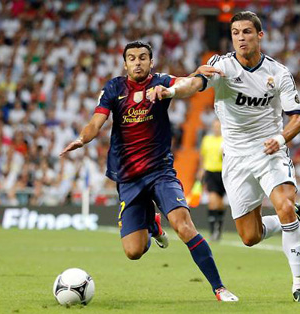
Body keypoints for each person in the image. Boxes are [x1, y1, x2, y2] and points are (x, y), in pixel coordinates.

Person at [152, 11, 300, 302]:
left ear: (260, 36)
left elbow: (298, 119)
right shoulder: (221, 65)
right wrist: (173, 90)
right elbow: (196, 83)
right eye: (236, 32)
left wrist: (279, 138)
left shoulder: (279, 73)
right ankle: (286, 221)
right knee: (250, 237)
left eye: (247, 32)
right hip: (236, 159)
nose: (241, 38)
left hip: (270, 153)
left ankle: (299, 285)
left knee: (285, 204)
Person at [60, 41, 238, 302]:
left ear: (151, 62)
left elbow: (186, 85)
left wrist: (185, 83)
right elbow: (96, 122)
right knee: (133, 251)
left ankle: (219, 288)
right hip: (128, 177)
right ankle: (153, 226)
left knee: (184, 226)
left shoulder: (161, 82)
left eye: (143, 57)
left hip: (160, 172)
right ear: (125, 64)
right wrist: (82, 139)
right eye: (132, 58)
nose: (138, 62)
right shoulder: (113, 88)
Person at [199, 119, 227, 241]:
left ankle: (218, 228)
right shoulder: (207, 140)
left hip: (223, 173)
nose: (216, 128)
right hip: (210, 172)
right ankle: (212, 231)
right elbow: (202, 155)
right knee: (212, 201)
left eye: (219, 126)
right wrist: (201, 169)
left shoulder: (226, 140)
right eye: (215, 126)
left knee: (220, 204)